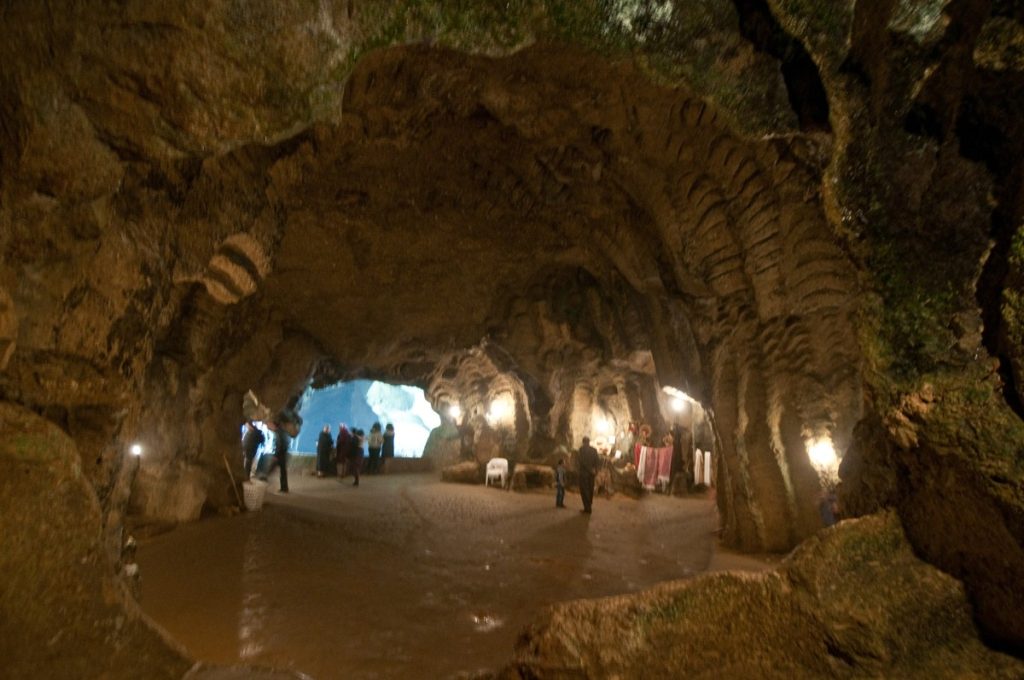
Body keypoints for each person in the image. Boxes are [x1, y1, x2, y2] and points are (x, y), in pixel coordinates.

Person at [261, 421, 290, 493]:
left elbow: (279, 444)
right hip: (282, 454)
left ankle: (263, 480)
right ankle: (284, 487)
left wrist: (276, 455)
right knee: (282, 471)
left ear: (272, 424)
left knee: (271, 469)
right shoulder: (282, 432)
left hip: (280, 455)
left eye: (268, 425)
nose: (267, 427)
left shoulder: (278, 433)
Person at [577, 436, 599, 514]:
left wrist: (589, 469)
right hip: (592, 473)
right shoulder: (594, 450)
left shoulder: (581, 450)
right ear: (589, 442)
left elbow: (581, 461)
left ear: (583, 442)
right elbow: (597, 461)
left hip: (584, 473)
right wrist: (595, 471)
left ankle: (587, 508)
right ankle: (589, 506)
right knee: (590, 490)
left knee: (584, 490)